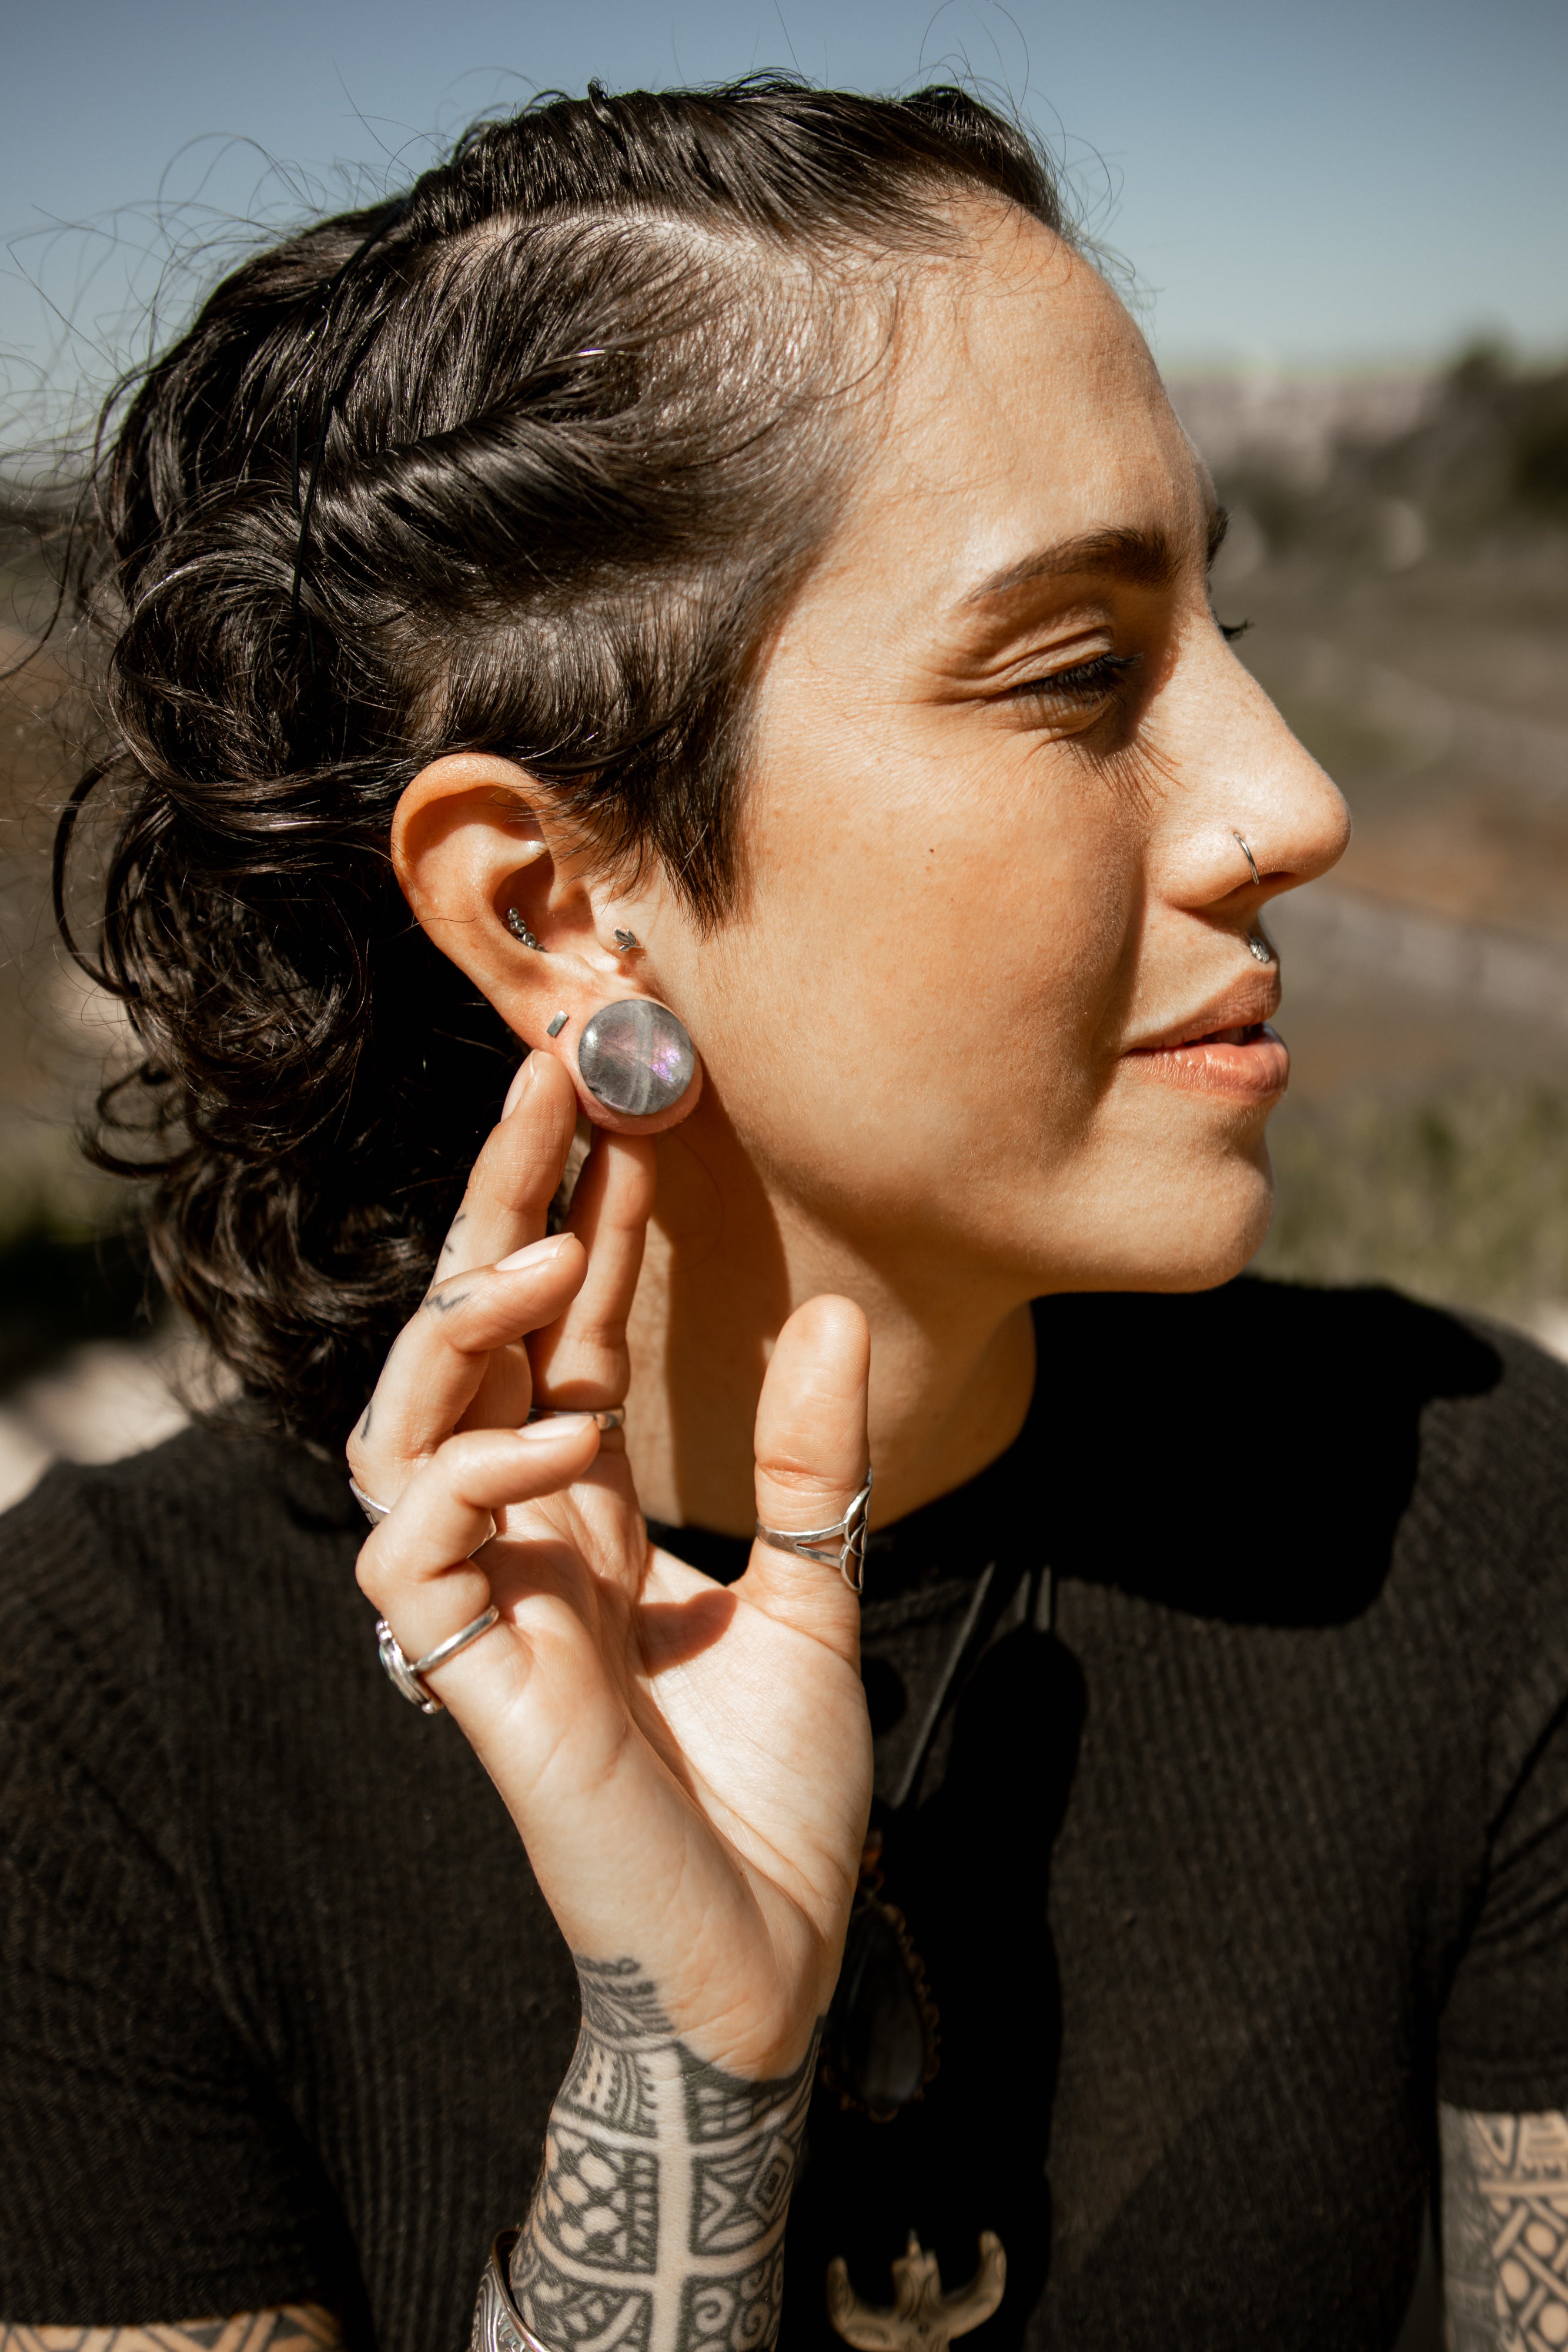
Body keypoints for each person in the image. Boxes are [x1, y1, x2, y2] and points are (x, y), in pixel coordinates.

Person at [2, 78, 1567, 2352]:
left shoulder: (1470, 1519)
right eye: (1073, 676)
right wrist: (689, 2075)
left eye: (1215, 628)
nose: (1292, 803)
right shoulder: (96, 1743)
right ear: (554, 906)